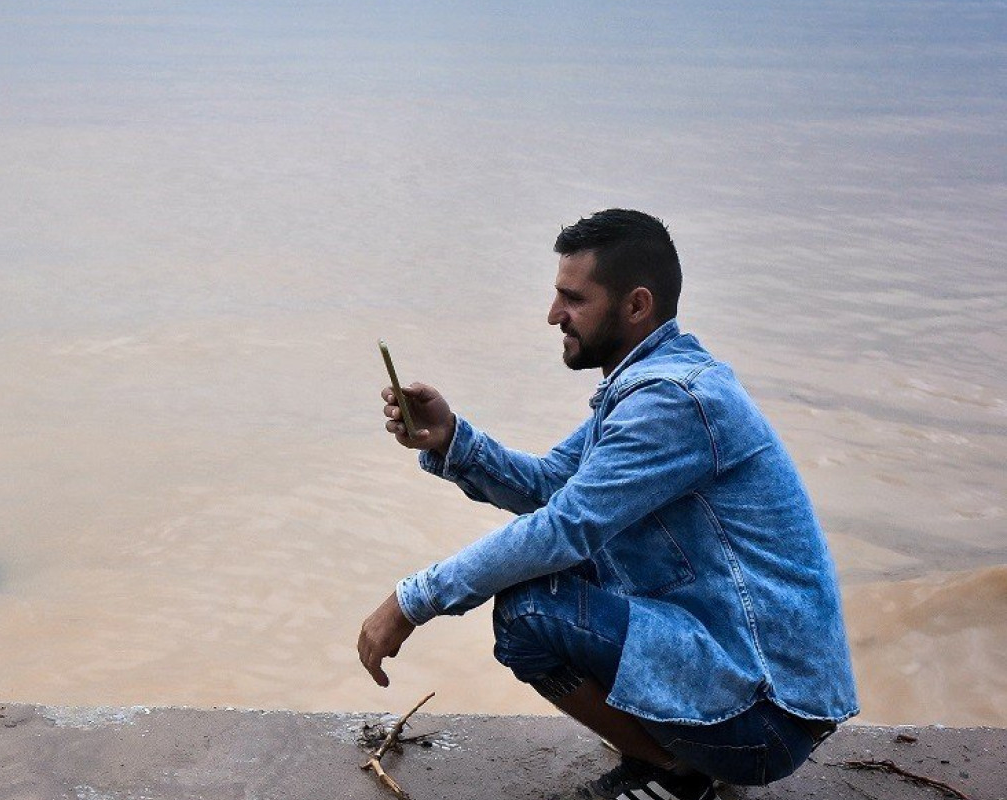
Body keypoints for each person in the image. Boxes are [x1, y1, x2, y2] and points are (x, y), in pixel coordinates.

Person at [357, 209, 856, 800]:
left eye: (573, 298)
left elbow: (561, 529)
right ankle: (677, 757)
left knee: (529, 610)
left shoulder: (673, 402)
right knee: (558, 576)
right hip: (755, 687)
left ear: (637, 305)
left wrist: (411, 602)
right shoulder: (646, 387)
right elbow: (552, 486)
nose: (553, 315)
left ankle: (680, 775)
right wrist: (452, 439)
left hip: (766, 716)